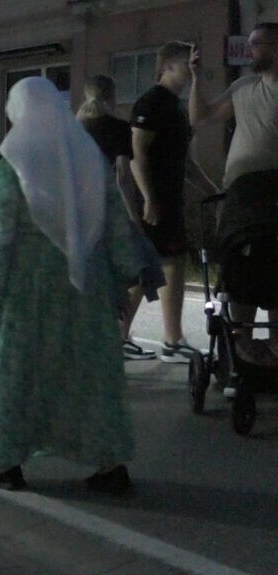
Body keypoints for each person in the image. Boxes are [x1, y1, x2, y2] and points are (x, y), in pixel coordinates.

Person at [0, 77, 146, 494]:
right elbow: (115, 222)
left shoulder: (13, 160)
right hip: (89, 283)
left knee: (20, 376)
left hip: (29, 289)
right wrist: (123, 280)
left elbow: (3, 235)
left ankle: (7, 462)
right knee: (91, 377)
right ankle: (109, 465)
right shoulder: (88, 155)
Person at [189, 22, 278, 365]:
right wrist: (196, 78)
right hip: (241, 196)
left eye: (257, 44)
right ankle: (241, 341)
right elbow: (201, 117)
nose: (249, 50)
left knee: (272, 261)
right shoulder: (243, 87)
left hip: (271, 193)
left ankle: (274, 342)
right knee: (240, 259)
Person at [129, 41, 219, 364]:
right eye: (186, 65)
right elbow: (136, 154)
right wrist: (149, 198)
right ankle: (168, 340)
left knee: (158, 265)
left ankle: (144, 338)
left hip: (169, 199)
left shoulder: (176, 108)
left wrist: (213, 190)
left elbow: (186, 162)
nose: (191, 71)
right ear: (167, 65)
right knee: (158, 265)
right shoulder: (152, 102)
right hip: (154, 201)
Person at [78, 74, 160, 361]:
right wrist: (134, 217)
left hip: (79, 214)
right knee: (137, 267)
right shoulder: (117, 128)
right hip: (108, 212)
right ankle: (118, 336)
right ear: (112, 97)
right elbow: (123, 175)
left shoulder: (74, 128)